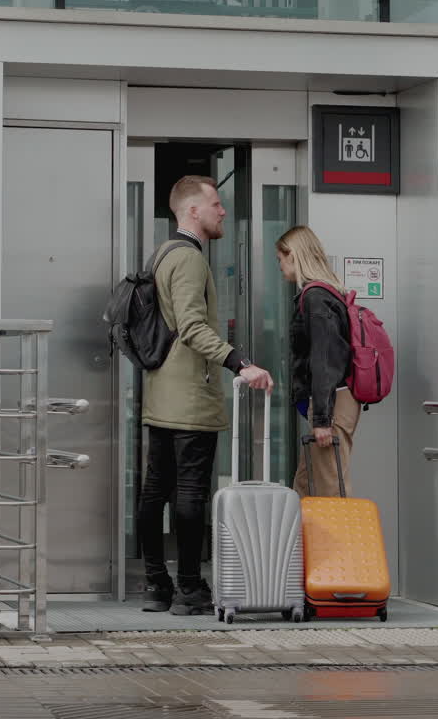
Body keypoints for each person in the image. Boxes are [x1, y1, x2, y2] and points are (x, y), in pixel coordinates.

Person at [139, 175, 274, 615]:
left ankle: (157, 587)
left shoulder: (161, 254)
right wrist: (241, 362)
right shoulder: (191, 259)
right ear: (192, 211)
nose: (222, 211)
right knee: (189, 493)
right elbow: (193, 328)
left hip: (160, 393)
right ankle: (191, 590)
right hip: (189, 398)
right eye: (215, 204)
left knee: (155, 490)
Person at [275, 225, 362, 498]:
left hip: (331, 404)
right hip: (332, 402)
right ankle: (301, 543)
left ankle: (339, 542)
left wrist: (323, 419)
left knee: (329, 488)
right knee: (305, 485)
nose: (280, 266)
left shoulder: (316, 297)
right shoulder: (323, 294)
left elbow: (324, 359)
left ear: (293, 255)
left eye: (280, 259)